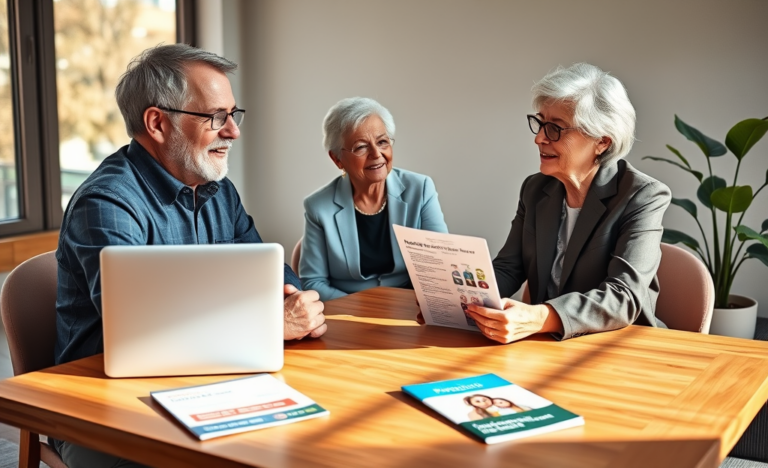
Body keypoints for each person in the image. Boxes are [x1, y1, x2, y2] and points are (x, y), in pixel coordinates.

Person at [53, 44, 326, 468]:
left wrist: (294, 301)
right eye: (217, 117)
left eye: (234, 115)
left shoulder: (219, 190)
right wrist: (268, 322)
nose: (233, 131)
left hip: (212, 383)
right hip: (102, 408)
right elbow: (142, 332)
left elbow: (272, 274)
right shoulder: (106, 203)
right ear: (157, 123)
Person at [467, 62, 671, 344]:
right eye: (540, 123)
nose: (539, 138)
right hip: (546, 343)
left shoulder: (643, 196)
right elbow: (509, 268)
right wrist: (462, 301)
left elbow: (624, 297)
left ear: (601, 142)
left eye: (555, 129)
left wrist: (540, 317)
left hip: (617, 346)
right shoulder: (535, 189)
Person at [300, 97, 448, 301]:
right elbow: (313, 282)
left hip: (409, 309)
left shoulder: (420, 189)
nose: (376, 154)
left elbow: (440, 267)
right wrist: (362, 309)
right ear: (337, 159)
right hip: (349, 310)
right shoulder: (318, 206)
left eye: (382, 142)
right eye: (361, 147)